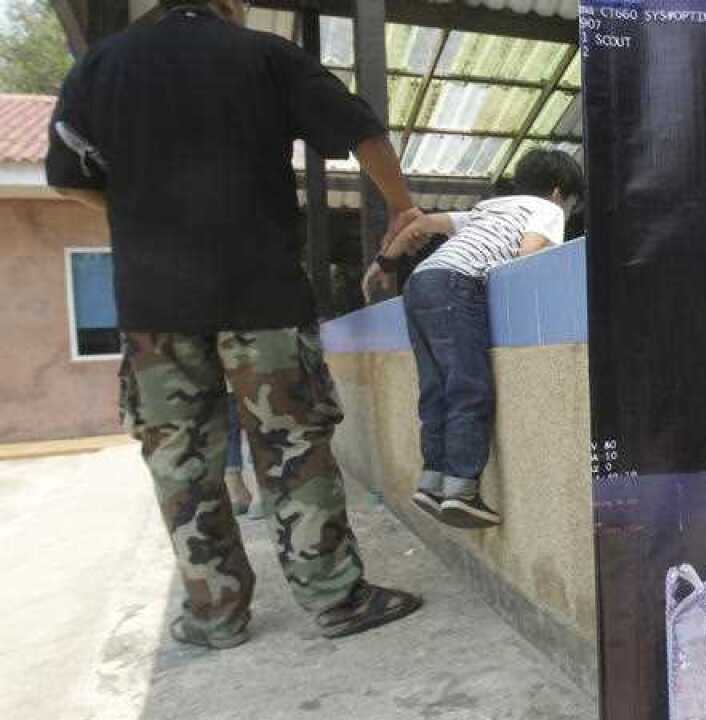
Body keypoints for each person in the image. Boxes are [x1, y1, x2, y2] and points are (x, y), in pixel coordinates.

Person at [46, 0, 424, 649]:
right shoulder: (265, 55)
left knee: (180, 460)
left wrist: (137, 213)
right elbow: (363, 131)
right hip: (262, 297)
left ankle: (215, 614)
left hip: (154, 310)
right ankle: (336, 598)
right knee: (293, 449)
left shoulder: (99, 68)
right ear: (231, 4)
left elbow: (64, 178)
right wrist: (402, 207)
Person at [363, 150, 583, 528]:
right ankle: (462, 490)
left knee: (435, 387)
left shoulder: (488, 209)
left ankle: (432, 481)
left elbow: (419, 226)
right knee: (468, 387)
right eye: (573, 201)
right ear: (559, 192)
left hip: (420, 283)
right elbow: (527, 253)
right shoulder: (547, 210)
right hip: (454, 285)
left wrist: (382, 264)